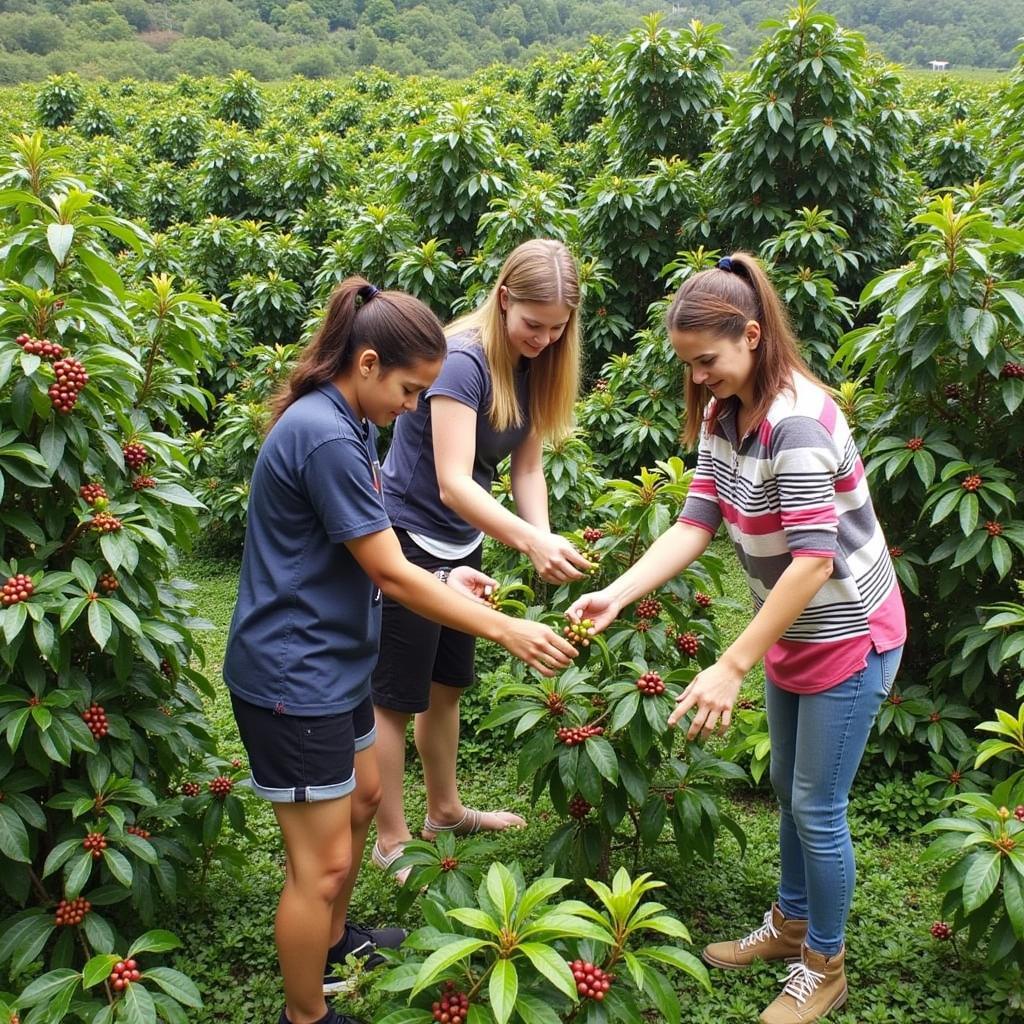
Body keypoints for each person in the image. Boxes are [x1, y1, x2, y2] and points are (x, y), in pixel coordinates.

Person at [222, 277, 578, 1024]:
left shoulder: (353, 421)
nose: (416, 408)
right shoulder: (323, 434)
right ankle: (305, 1014)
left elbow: (368, 551)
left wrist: (446, 572)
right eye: (411, 391)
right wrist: (508, 629)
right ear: (369, 362)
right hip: (295, 678)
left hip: (335, 661)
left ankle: (336, 943)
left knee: (366, 801)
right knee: (317, 872)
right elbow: (388, 570)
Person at [567, 253, 906, 1024]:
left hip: (850, 634)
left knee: (817, 805)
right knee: (789, 790)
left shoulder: (796, 421)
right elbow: (696, 523)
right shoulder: (726, 416)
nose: (698, 379)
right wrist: (615, 595)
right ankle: (790, 926)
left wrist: (731, 662)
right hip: (793, 634)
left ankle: (826, 962)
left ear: (752, 336)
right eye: (688, 365)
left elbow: (816, 561)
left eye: (707, 361)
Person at [370, 239, 590, 877]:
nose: (545, 339)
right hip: (408, 540)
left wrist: (543, 536)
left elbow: (526, 467)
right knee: (394, 696)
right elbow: (453, 482)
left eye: (558, 328)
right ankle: (391, 840)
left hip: (461, 545)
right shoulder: (464, 360)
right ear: (503, 299)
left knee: (446, 690)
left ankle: (445, 810)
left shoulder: (535, 365)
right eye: (533, 324)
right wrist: (528, 540)